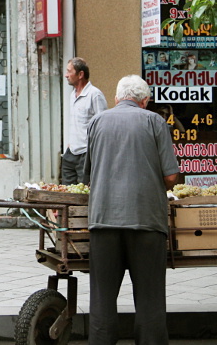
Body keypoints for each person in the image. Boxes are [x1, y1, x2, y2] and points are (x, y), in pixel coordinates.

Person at [84, 74, 179, 344]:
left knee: (102, 299)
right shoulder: (155, 121)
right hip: (147, 221)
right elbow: (171, 177)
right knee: (150, 298)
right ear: (145, 101)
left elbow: (88, 175)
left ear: (116, 99)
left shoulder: (97, 122)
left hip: (103, 221)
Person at [62, 57, 108, 185]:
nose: (66, 75)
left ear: (80, 74)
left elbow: (103, 126)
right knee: (66, 191)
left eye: (69, 71)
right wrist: (70, 145)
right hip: (71, 152)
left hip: (86, 153)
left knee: (84, 194)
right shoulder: (73, 95)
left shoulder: (95, 95)